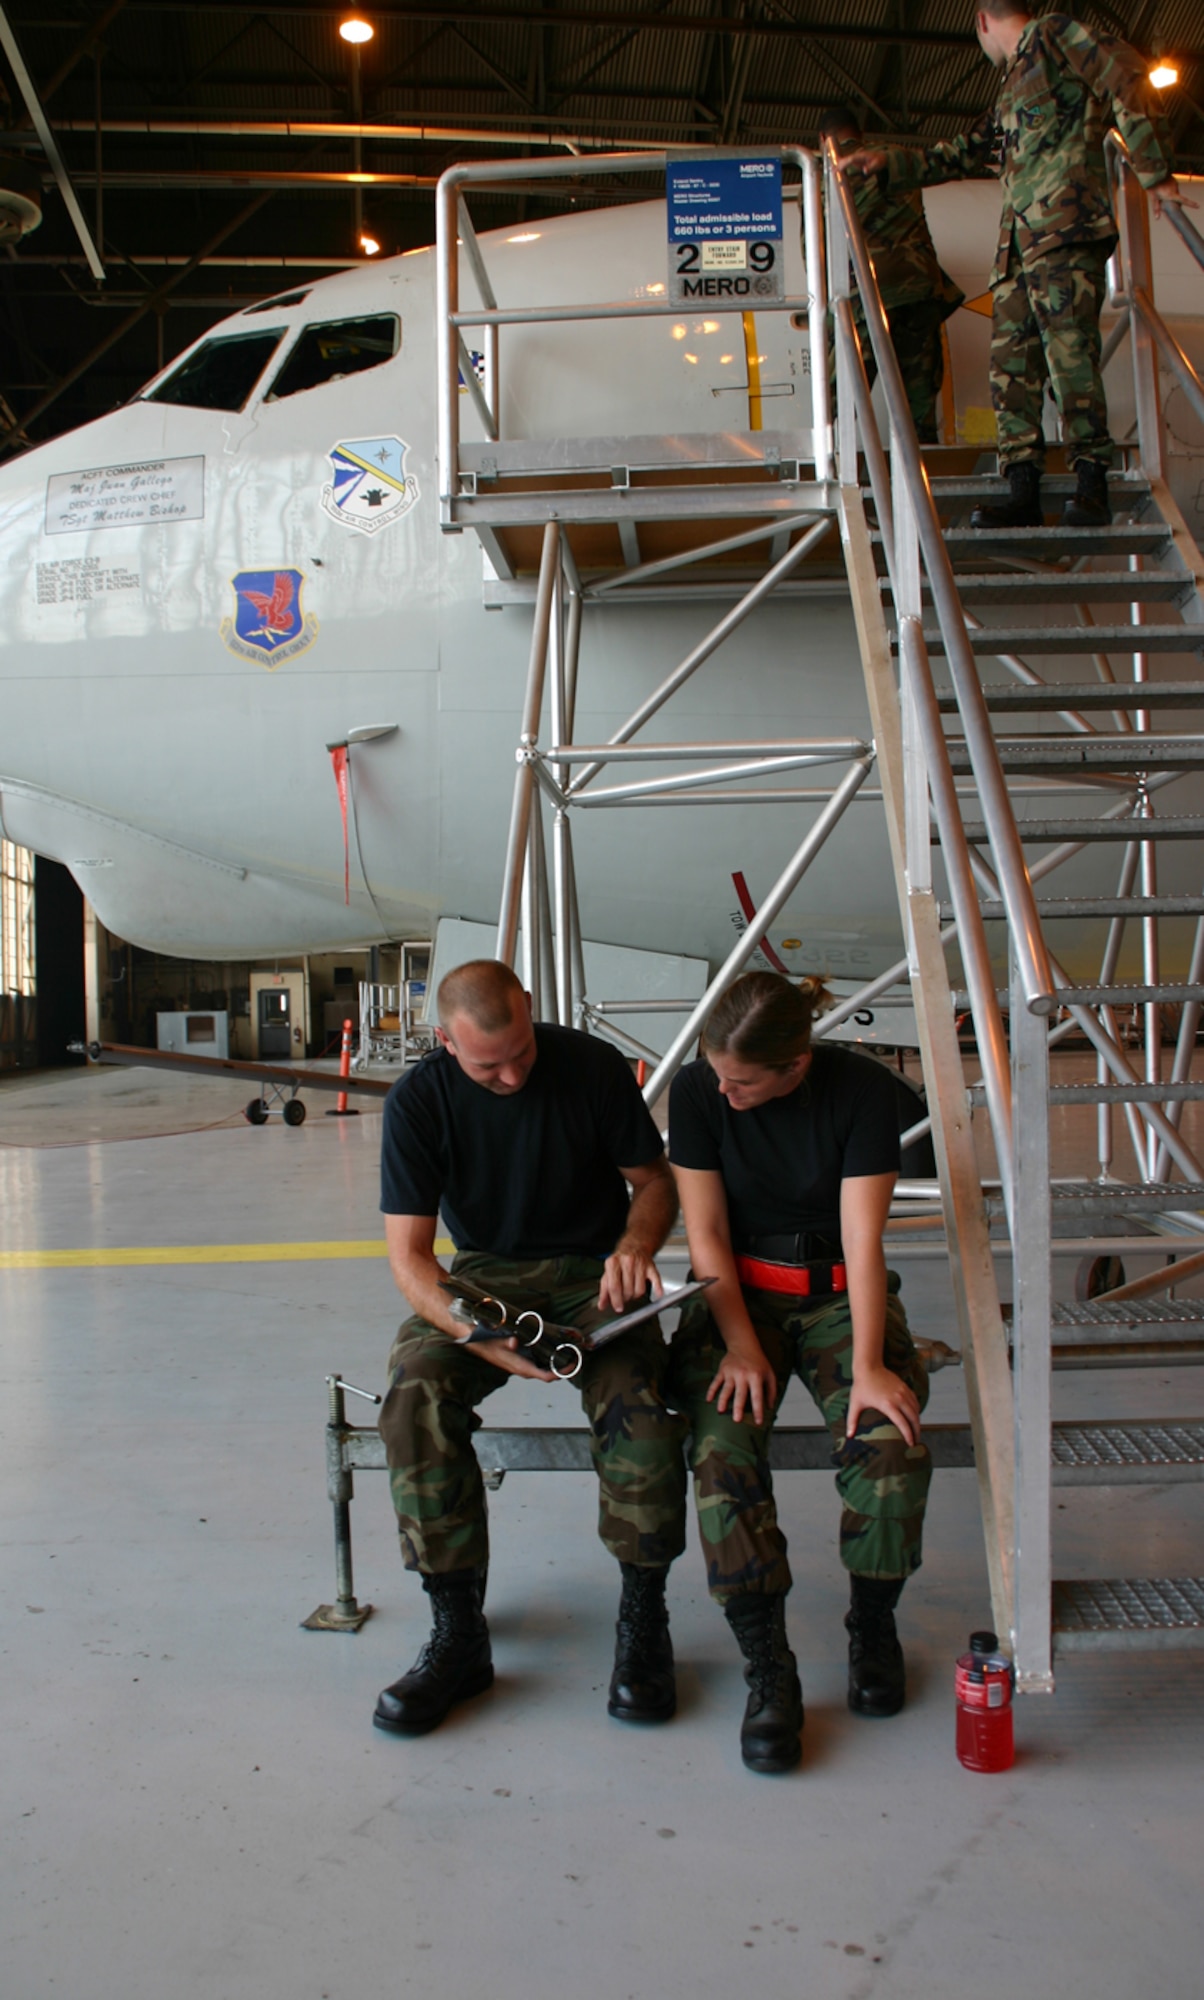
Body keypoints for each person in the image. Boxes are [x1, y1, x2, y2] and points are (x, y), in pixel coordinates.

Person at [373, 959, 687, 1737]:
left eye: (521, 1051)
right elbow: (411, 1260)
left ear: (530, 1009)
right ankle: (458, 1632)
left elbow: (655, 1183)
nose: (513, 1074)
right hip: (483, 1280)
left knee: (643, 1409)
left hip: (593, 1277)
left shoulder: (588, 1066)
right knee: (414, 1392)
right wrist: (473, 1332)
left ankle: (644, 1622)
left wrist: (635, 1246)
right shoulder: (418, 1103)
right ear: (445, 1042)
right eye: (489, 1064)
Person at [665, 972, 931, 1775]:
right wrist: (741, 1346)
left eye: (742, 1081)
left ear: (796, 1066)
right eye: (718, 1073)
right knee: (718, 1449)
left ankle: (873, 1622)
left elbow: (864, 1239)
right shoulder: (697, 1092)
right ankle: (767, 1665)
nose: (724, 1089)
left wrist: (874, 1363)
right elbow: (705, 1234)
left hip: (841, 1299)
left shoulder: (860, 1093)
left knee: (890, 1443)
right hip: (733, 1294)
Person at [846, 5, 1190, 529]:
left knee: (1068, 356)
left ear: (983, 21)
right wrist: (892, 163)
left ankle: (1091, 482)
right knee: (1012, 372)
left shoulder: (1054, 36)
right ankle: (1022, 490)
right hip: (1016, 250)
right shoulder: (1010, 87)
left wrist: (1155, 170)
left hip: (1066, 229)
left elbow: (1127, 74)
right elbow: (967, 151)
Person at [820, 107, 964, 445]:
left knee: (842, 396)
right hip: (920, 291)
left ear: (824, 140)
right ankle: (925, 470)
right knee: (918, 396)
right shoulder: (892, 157)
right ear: (858, 132)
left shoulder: (826, 173)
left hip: (866, 297)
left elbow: (816, 251)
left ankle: (836, 460)